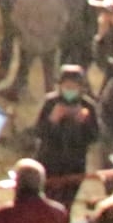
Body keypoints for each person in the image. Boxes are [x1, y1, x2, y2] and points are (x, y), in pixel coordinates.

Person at [31, 66, 102, 208]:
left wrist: (85, 123)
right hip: (49, 163)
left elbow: (95, 137)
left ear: (81, 87)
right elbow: (38, 131)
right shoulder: (50, 103)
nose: (70, 89)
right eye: (66, 86)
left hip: (74, 165)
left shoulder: (88, 106)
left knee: (66, 206)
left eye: (74, 86)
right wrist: (52, 120)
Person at [4, 0, 70, 98]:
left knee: (49, 73)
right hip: (29, 40)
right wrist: (25, 33)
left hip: (49, 41)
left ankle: (50, 97)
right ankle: (15, 93)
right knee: (23, 70)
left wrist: (56, 34)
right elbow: (17, 17)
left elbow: (63, 17)